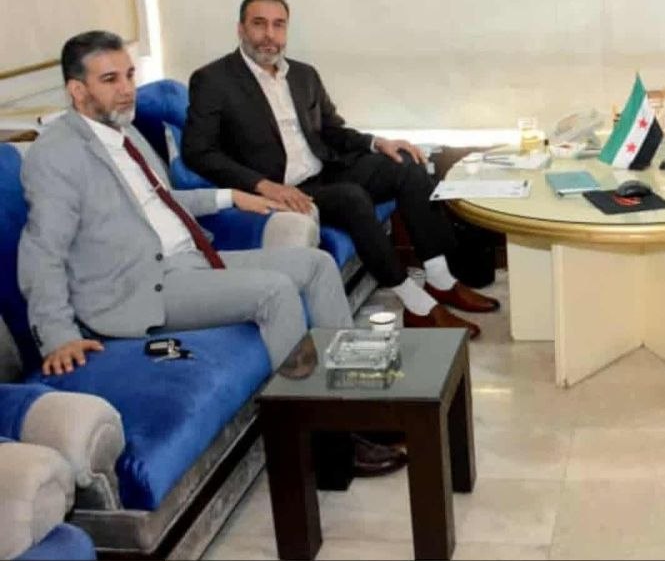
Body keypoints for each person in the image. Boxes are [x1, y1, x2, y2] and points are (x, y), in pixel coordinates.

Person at [19, 30, 406, 478]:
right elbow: (42, 249)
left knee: (317, 264)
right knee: (276, 291)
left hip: (191, 262)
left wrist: (231, 197)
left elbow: (162, 201)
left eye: (129, 75)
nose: (126, 89)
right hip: (139, 287)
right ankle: (323, 449)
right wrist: (57, 335)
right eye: (110, 79)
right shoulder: (56, 155)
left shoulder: (124, 133)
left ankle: (359, 406)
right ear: (77, 89)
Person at [182, 0, 499, 339]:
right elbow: (198, 152)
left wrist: (377, 143)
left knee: (407, 163)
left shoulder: (303, 75)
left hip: (324, 171)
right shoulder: (213, 80)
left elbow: (332, 131)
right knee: (351, 198)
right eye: (259, 24)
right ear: (241, 29)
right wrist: (262, 185)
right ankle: (417, 304)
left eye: (278, 25)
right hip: (279, 188)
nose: (269, 35)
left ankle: (440, 280)